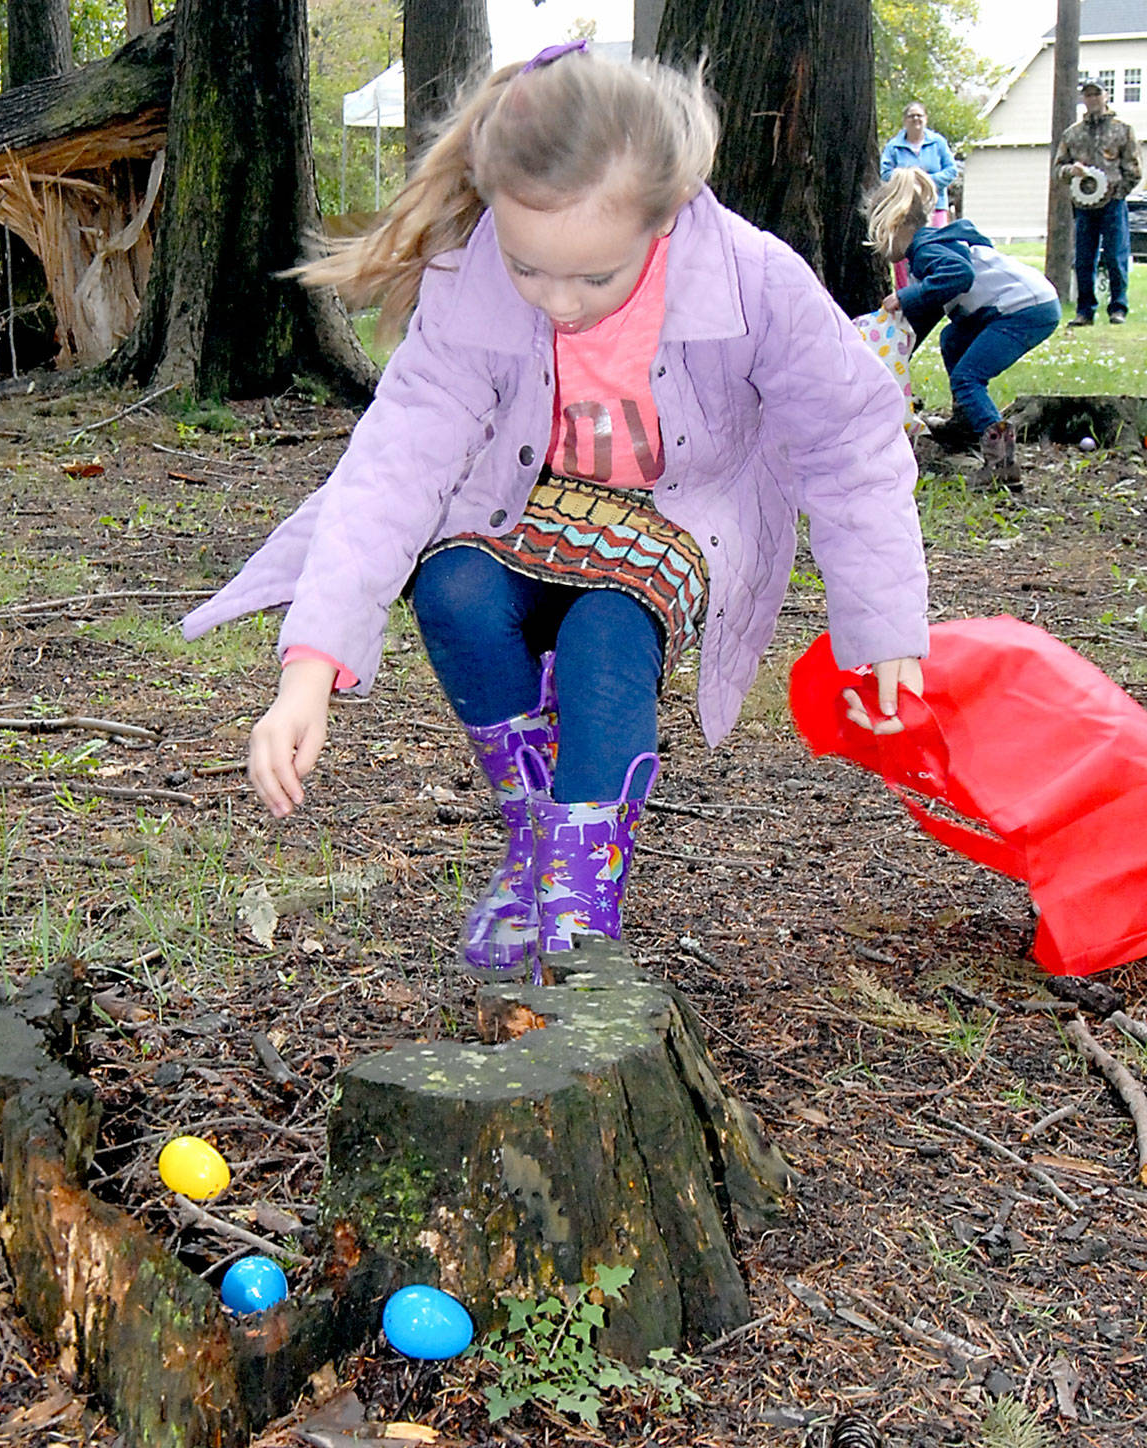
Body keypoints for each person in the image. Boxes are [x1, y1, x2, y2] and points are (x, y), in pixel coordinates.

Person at [183, 44, 929, 978]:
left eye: (593, 278)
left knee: (606, 642)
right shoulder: (473, 281)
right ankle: (540, 833)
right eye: (530, 269)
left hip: (679, 514)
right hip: (531, 502)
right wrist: (310, 666)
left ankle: (579, 913)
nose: (559, 304)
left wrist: (883, 616)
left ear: (665, 218)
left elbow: (851, 436)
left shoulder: (753, 279)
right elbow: (393, 467)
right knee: (452, 587)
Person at [869, 167, 1060, 491]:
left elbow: (960, 276)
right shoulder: (927, 254)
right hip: (1015, 306)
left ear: (896, 224)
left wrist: (904, 295)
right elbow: (925, 316)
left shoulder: (927, 250)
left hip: (1025, 309)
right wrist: (890, 352)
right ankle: (967, 423)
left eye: (878, 235)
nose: (879, 248)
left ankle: (1002, 463)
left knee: (968, 377)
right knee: (953, 338)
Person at [1054, 79, 1142, 327]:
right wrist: (1072, 170)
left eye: (1096, 94)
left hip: (1113, 204)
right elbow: (1057, 169)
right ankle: (1084, 311)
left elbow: (1134, 169)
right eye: (1087, 95)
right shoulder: (1072, 134)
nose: (1092, 99)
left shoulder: (1122, 129)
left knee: (1115, 256)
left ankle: (1118, 308)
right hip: (1083, 206)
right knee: (1083, 259)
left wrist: (1118, 192)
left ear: (1106, 96)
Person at [879, 102, 958, 287]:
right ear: (905, 121)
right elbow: (885, 174)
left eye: (919, 116)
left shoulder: (937, 143)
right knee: (903, 252)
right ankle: (904, 292)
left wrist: (926, 182)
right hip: (905, 209)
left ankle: (932, 291)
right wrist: (908, 181)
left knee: (933, 247)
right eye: (911, 116)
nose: (916, 119)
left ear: (926, 119)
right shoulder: (894, 147)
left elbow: (951, 170)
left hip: (935, 206)